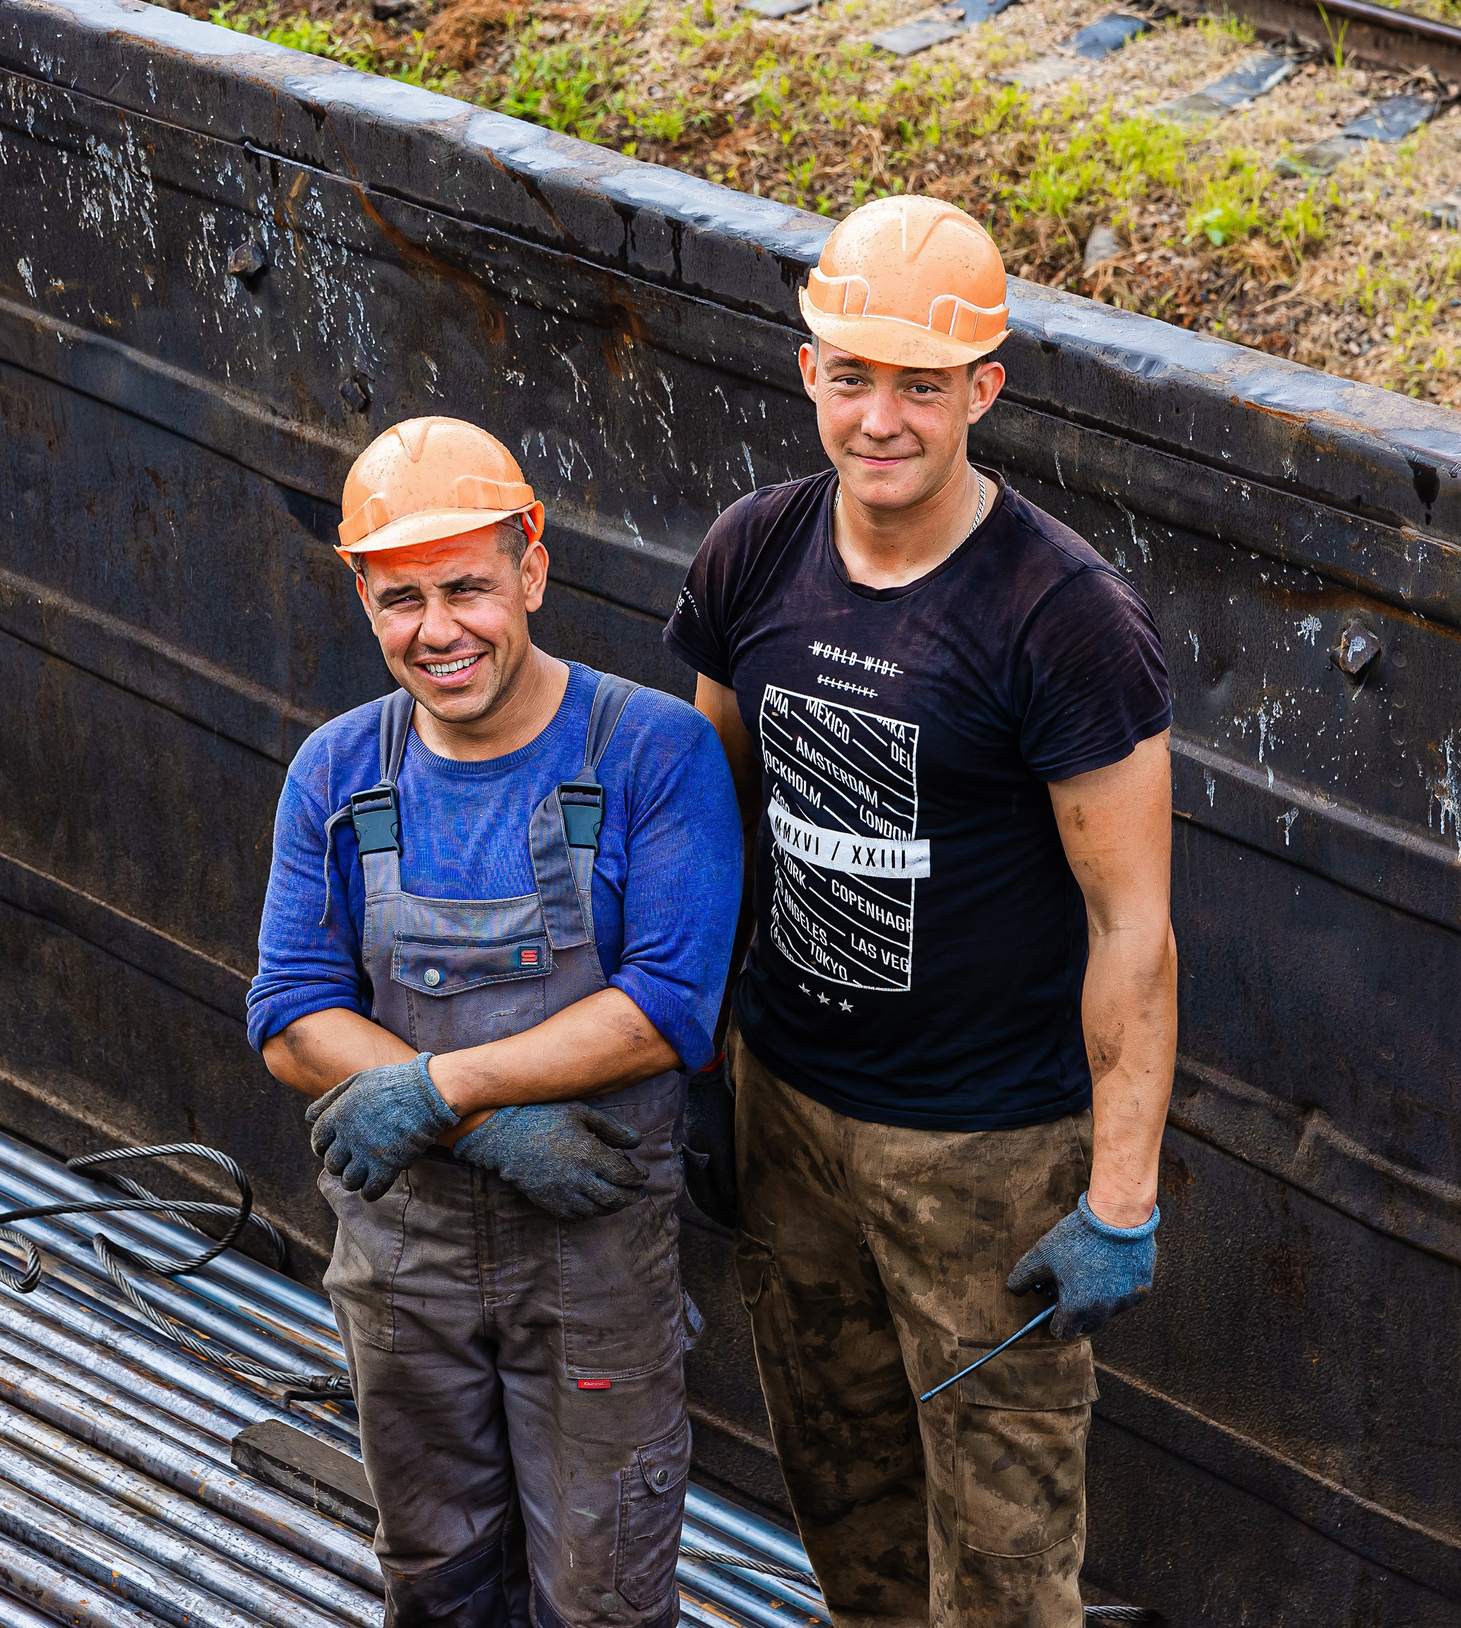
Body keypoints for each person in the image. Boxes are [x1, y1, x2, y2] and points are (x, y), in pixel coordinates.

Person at [665, 196, 1177, 1628]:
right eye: (852, 374)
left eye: (921, 383)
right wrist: (696, 1058)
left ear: (982, 391)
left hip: (986, 1157)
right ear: (808, 367)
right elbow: (712, 828)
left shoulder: (1061, 614)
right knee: (848, 1502)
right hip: (789, 1116)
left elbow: (1132, 923)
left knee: (1007, 1556)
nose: (880, 416)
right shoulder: (755, 552)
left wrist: (1120, 1195)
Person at [248, 416, 744, 1628]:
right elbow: (291, 1014)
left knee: (602, 1586)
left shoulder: (653, 755)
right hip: (400, 1258)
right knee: (435, 1574)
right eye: (400, 598)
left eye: (466, 586)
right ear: (363, 599)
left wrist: (429, 1092)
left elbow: (665, 1011)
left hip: (589, 1259)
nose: (438, 631)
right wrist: (474, 1122)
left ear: (531, 564)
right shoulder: (337, 770)